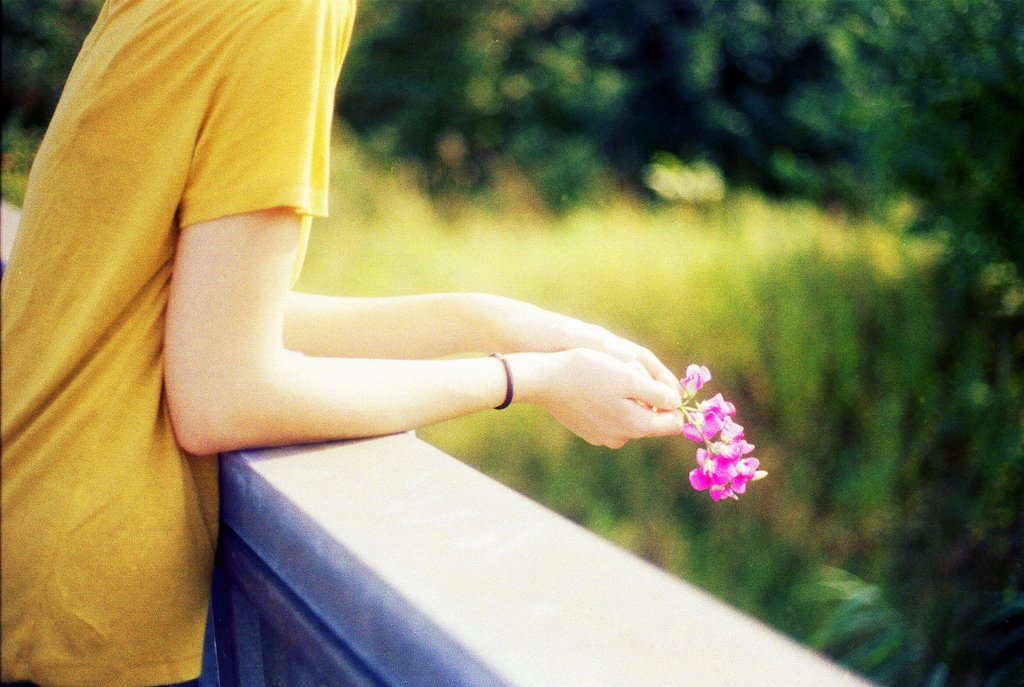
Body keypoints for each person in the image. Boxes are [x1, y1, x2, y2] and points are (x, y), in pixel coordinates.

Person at [0, 0, 684, 685]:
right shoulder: (288, 10)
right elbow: (225, 394)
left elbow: (181, 311)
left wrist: (494, 321)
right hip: (79, 599)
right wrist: (523, 379)